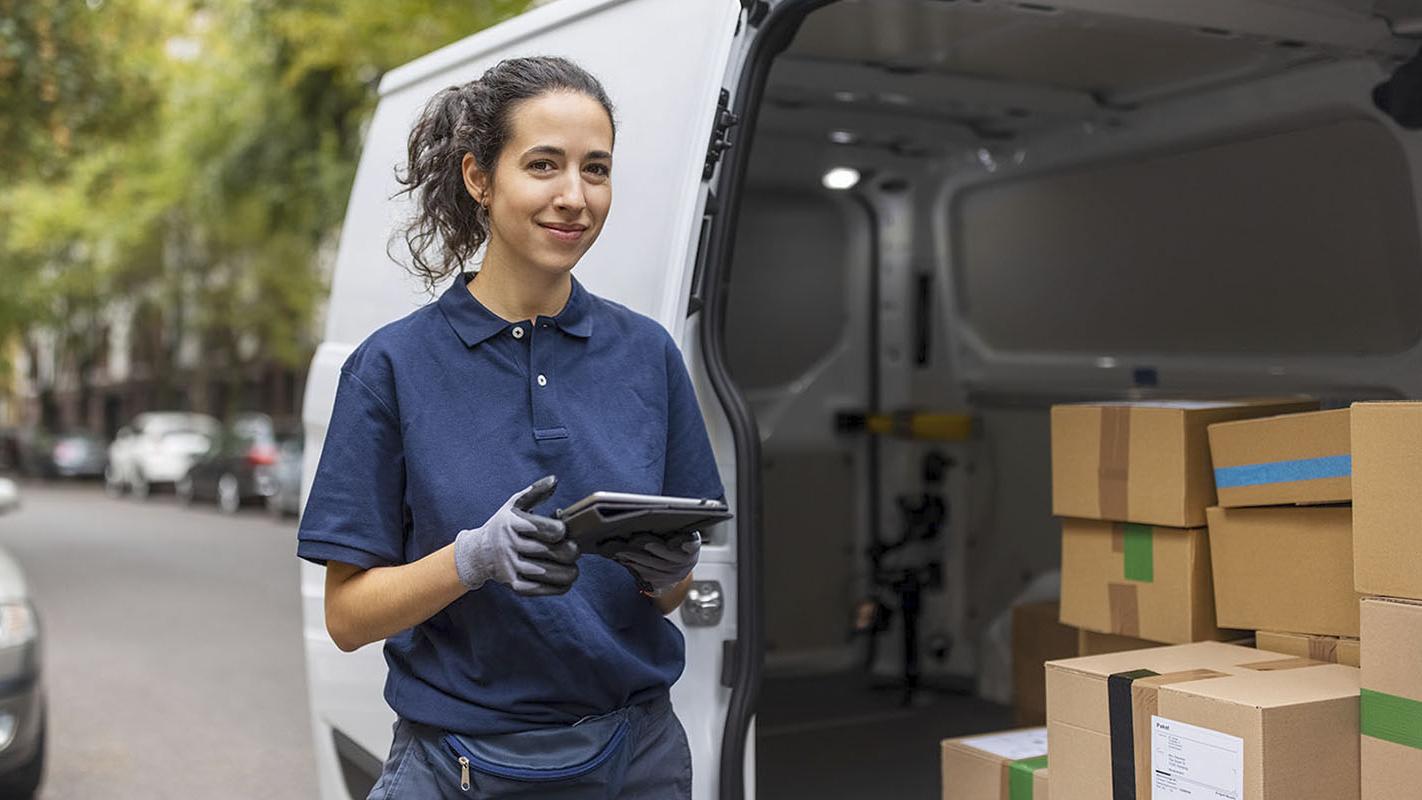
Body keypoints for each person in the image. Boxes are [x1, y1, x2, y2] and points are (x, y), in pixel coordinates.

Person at [296, 55, 724, 799]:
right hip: (468, 767)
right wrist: (470, 561)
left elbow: (676, 589)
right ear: (479, 179)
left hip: (640, 760)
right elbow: (346, 616)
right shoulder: (393, 366)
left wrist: (668, 577)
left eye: (596, 169)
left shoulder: (647, 353)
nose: (574, 196)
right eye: (543, 165)